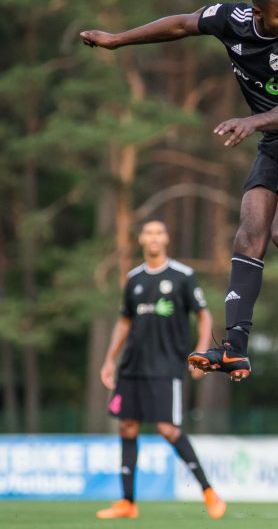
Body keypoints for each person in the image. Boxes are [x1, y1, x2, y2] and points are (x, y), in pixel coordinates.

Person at [80, 0, 278, 381]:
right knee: (248, 234)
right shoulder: (232, 20)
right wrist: (118, 39)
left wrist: (252, 121)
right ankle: (235, 348)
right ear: (258, 13)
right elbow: (180, 24)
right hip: (272, 139)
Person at [97, 220, 225, 520]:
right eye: (149, 232)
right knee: (127, 426)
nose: (154, 238)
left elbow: (203, 315)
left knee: (167, 429)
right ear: (141, 238)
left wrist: (201, 352)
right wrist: (109, 359)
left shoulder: (182, 276)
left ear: (166, 239)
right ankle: (127, 502)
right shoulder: (134, 278)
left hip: (165, 365)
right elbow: (124, 320)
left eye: (159, 233)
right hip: (132, 366)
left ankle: (209, 491)